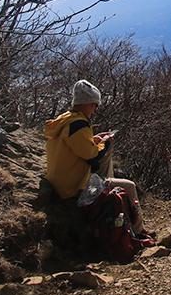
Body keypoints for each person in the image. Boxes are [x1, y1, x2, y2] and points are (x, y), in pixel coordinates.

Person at [44, 79, 148, 235]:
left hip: (59, 179)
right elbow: (93, 158)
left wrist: (94, 140)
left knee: (110, 172)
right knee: (129, 186)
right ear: (87, 103)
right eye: (94, 104)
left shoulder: (65, 120)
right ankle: (139, 231)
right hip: (73, 186)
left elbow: (78, 147)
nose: (95, 108)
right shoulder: (78, 125)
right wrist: (105, 143)